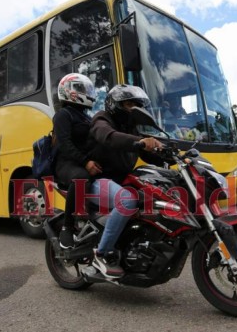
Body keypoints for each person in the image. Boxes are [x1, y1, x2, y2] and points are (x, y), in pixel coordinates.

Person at [88, 84, 165, 277]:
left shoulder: (130, 128)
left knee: (153, 195)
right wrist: (139, 142)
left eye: (136, 106)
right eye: (129, 104)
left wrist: (170, 155)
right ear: (115, 104)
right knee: (127, 201)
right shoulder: (102, 119)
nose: (133, 110)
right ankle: (102, 253)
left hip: (120, 180)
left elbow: (147, 153)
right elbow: (108, 137)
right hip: (98, 180)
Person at [53, 73, 103, 248]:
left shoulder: (87, 117)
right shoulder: (63, 115)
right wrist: (86, 162)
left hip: (84, 161)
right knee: (81, 178)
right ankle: (68, 226)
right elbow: (65, 144)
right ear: (69, 91)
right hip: (67, 164)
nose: (86, 93)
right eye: (81, 89)